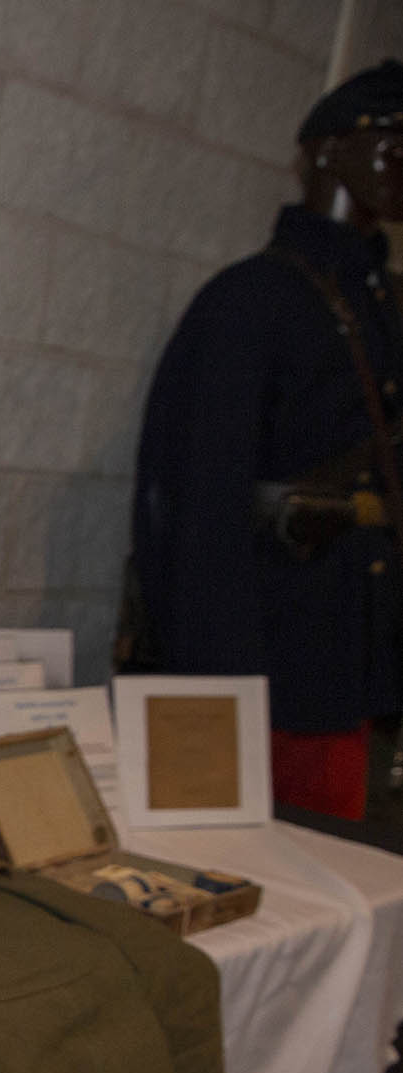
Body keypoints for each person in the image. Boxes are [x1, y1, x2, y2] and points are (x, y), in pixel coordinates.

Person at [127, 60, 403, 821]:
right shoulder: (252, 302)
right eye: (394, 146)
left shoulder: (381, 308)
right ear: (329, 151)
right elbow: (197, 502)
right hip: (273, 661)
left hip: (355, 659)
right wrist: (218, 684)